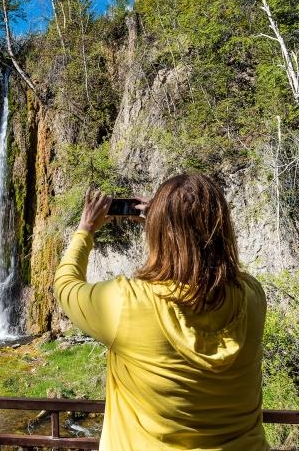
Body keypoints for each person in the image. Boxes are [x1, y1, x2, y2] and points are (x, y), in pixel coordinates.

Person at [54, 173, 268, 450]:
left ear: (158, 231)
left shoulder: (128, 303)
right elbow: (210, 270)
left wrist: (85, 230)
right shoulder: (251, 296)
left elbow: (65, 285)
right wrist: (168, 222)